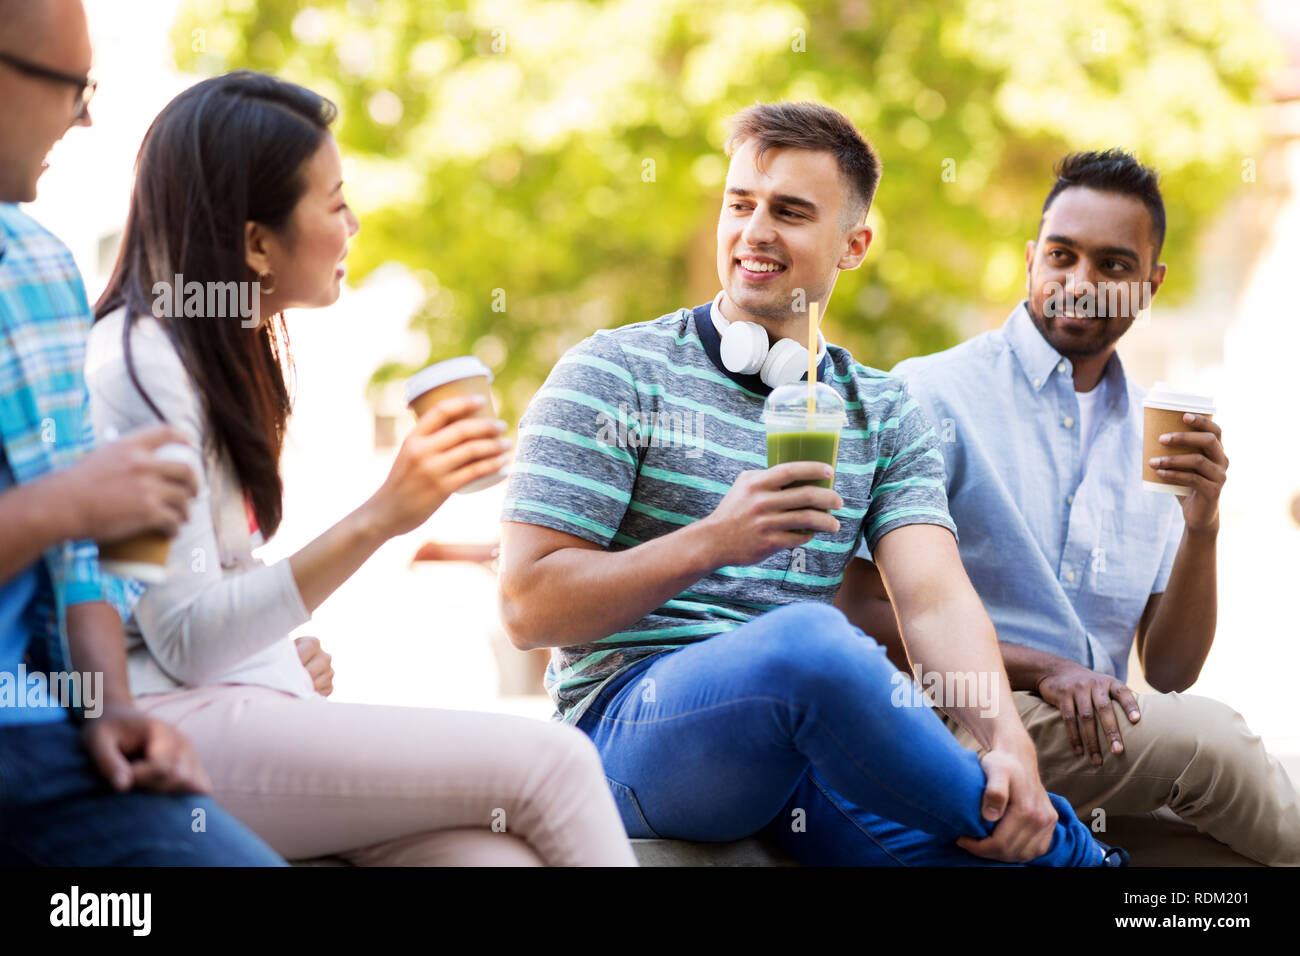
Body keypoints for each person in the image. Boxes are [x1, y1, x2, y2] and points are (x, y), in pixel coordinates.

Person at [498, 101, 1123, 866]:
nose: (755, 230)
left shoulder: (884, 411)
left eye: (790, 211)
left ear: (854, 244)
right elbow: (527, 608)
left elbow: (933, 598)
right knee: (811, 641)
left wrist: (1008, 742)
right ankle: (1070, 851)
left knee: (983, 852)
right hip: (628, 729)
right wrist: (712, 543)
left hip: (804, 753)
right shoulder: (614, 373)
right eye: (741, 204)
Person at [85, 70, 635, 867]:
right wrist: (386, 513)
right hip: (171, 731)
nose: (355, 223)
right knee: (555, 763)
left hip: (241, 708)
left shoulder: (207, 352)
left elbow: (197, 594)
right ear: (253, 241)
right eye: (335, 202)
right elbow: (185, 641)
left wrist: (276, 653)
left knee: (486, 860)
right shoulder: (137, 368)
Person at [837, 149, 1300, 865]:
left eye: (1113, 266)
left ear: (1151, 284)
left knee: (1221, 866)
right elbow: (860, 607)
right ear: (1031, 260)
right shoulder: (931, 395)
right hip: (959, 723)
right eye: (1062, 256)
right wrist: (1046, 669)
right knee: (1217, 747)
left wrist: (1202, 527)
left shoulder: (1155, 433)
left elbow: (1172, 670)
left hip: (1097, 744)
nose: (1080, 284)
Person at [0, 0, 283, 866]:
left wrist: (113, 709)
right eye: (70, 85)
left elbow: (84, 566)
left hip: (38, 742)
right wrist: (67, 503)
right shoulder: (139, 358)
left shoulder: (40, 267)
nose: (85, 115)